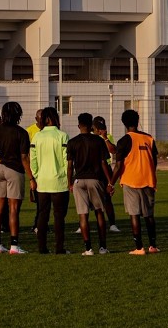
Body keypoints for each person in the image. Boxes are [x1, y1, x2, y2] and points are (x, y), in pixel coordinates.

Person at [0, 101, 34, 255]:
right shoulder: (21, 132)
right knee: (13, 209)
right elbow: (24, 158)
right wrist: (32, 178)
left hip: (0, 169)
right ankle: (14, 245)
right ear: (18, 114)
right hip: (14, 170)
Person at [113, 109, 160, 254]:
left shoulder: (124, 141)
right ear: (138, 121)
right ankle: (153, 246)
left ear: (124, 123)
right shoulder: (149, 138)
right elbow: (155, 161)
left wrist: (111, 183)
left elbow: (119, 165)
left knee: (134, 214)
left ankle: (139, 247)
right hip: (148, 180)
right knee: (148, 215)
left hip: (130, 180)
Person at [68, 113, 114, 255]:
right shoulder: (98, 141)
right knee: (99, 212)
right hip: (95, 179)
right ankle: (102, 247)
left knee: (83, 215)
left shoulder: (73, 142)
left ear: (79, 125)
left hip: (79, 180)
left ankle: (88, 248)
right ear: (91, 126)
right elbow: (103, 163)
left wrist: (69, 182)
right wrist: (110, 182)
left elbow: (70, 165)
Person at [31, 106, 71, 254]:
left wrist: (35, 176)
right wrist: (68, 178)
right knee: (59, 217)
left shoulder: (37, 136)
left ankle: (42, 248)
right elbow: (67, 160)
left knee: (42, 215)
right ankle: (59, 248)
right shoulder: (62, 136)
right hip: (59, 182)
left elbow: (33, 160)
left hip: (42, 182)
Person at [91, 116, 121, 234]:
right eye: (100, 128)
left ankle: (112, 224)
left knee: (107, 198)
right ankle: (82, 224)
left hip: (106, 169)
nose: (102, 130)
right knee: (89, 199)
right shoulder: (90, 137)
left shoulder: (107, 137)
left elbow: (113, 150)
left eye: (103, 127)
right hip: (93, 168)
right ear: (94, 128)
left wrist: (104, 138)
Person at [27, 108, 45, 235]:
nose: (42, 120)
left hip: (46, 168)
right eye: (40, 118)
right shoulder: (30, 131)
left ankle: (40, 224)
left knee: (44, 200)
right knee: (39, 200)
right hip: (35, 169)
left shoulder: (49, 130)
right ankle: (37, 224)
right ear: (36, 119)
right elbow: (27, 153)